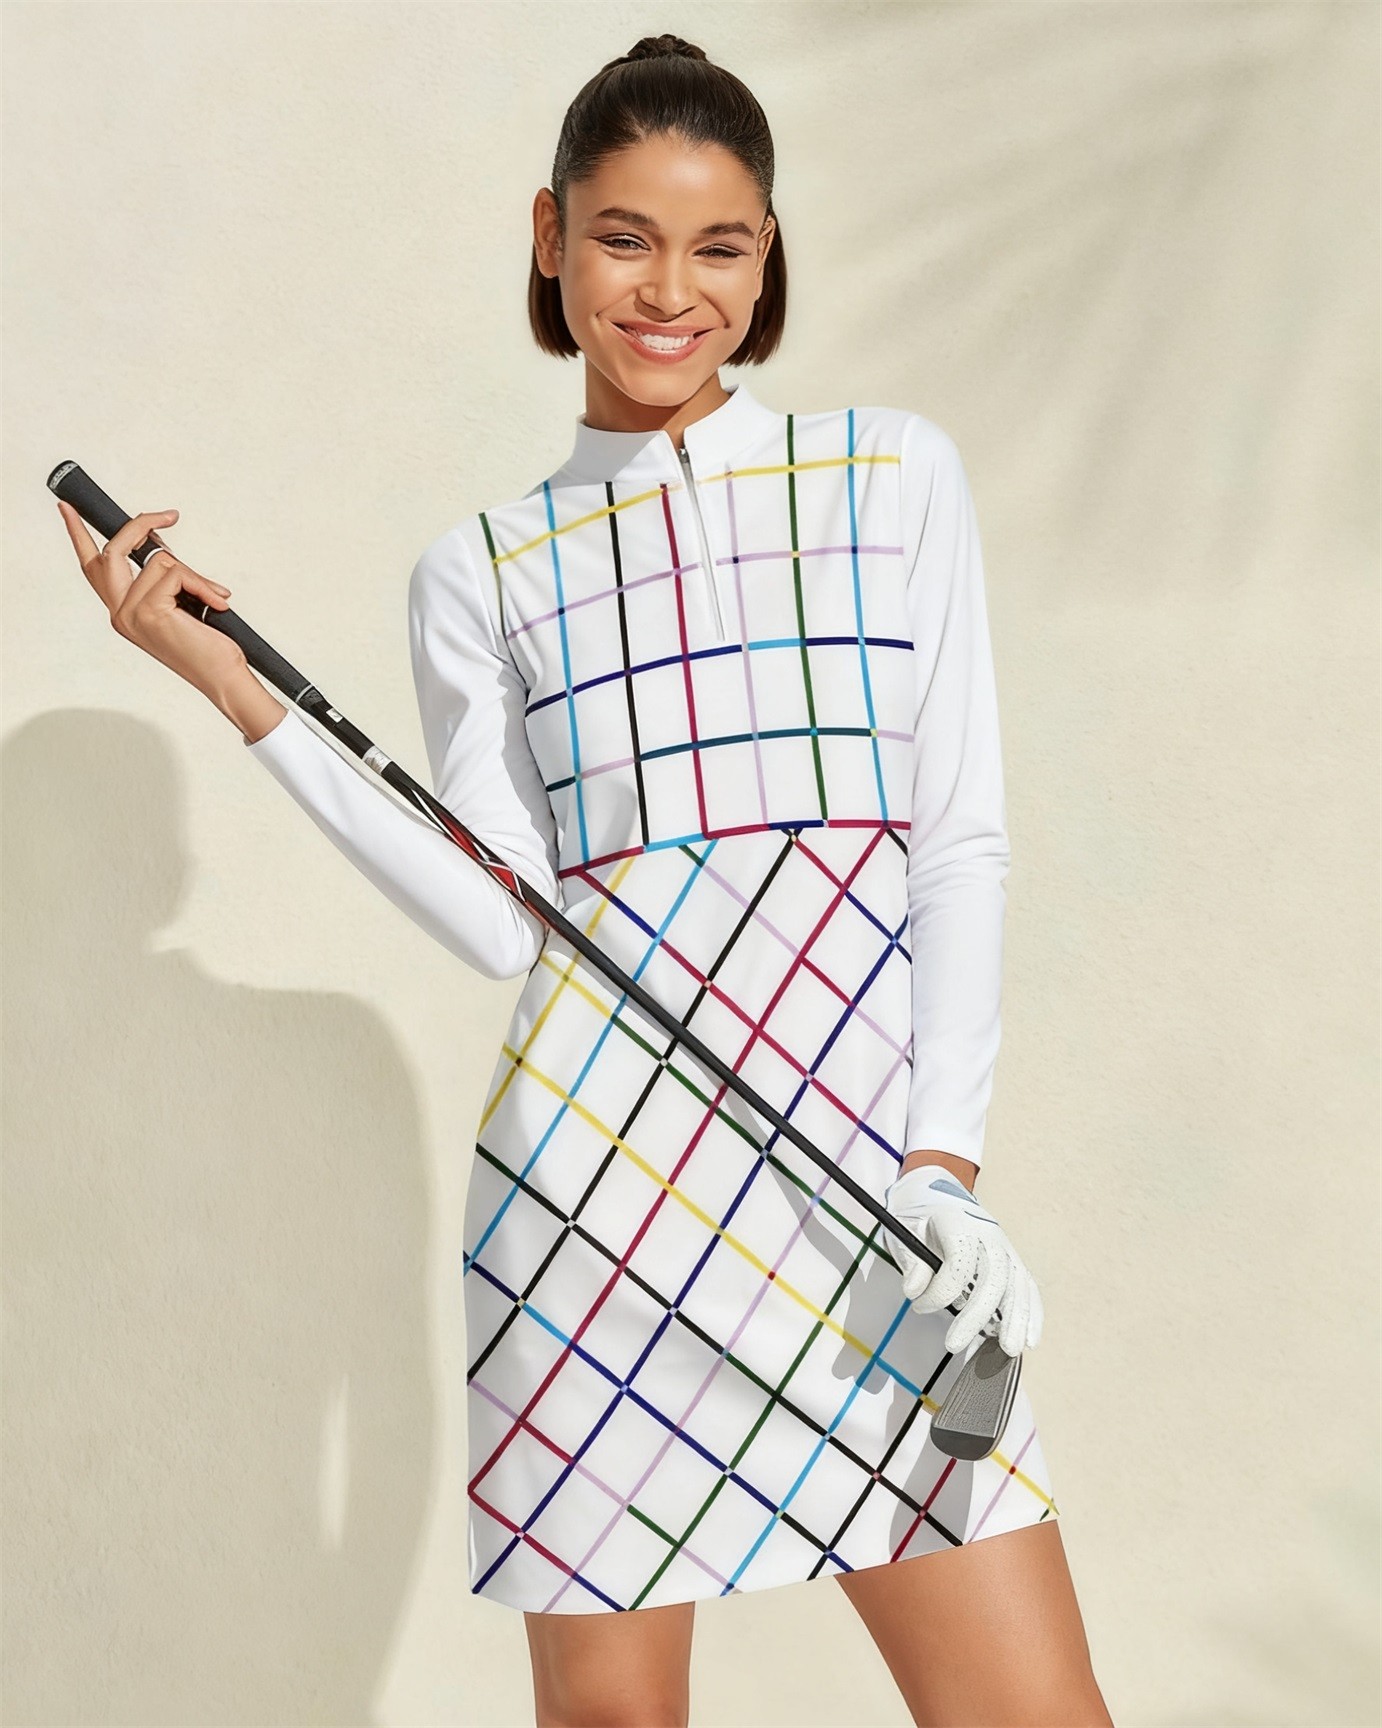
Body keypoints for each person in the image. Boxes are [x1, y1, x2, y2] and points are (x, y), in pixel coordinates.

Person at [60, 31, 1113, 1728]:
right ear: (549, 236)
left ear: (767, 260)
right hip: (595, 1217)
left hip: (861, 1209)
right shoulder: (481, 570)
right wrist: (237, 690)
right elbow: (501, 918)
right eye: (623, 237)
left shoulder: (889, 476)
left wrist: (943, 1165)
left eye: (719, 247)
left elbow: (957, 842)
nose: (669, 293)